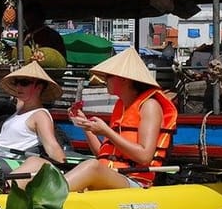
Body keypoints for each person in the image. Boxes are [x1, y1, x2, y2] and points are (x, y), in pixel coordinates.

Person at [15, 47, 177, 191]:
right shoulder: (121, 106)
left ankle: (45, 198)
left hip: (134, 182)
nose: (104, 79)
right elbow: (103, 154)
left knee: (92, 165)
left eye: (108, 76)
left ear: (125, 79)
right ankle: (2, 197)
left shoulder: (150, 105)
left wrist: (106, 131)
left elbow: (144, 156)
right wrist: (87, 127)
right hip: (111, 176)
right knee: (36, 162)